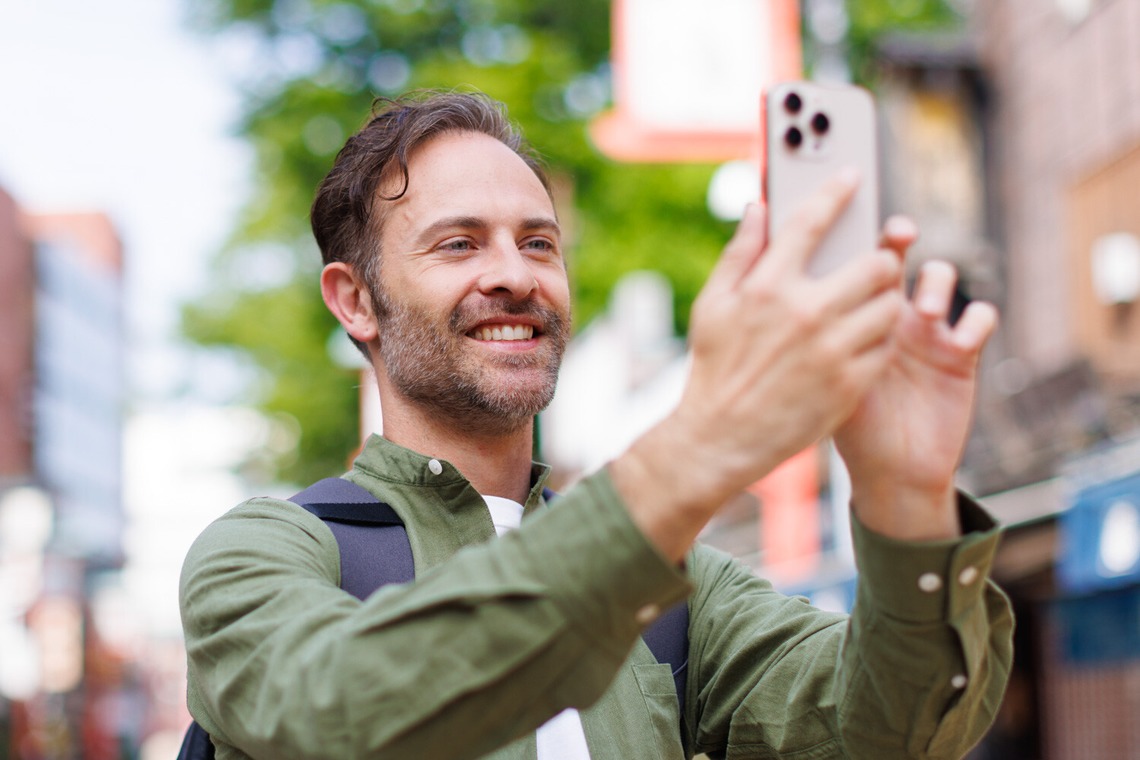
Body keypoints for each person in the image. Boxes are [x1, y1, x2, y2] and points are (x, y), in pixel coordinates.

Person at [179, 90, 1013, 760]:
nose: (513, 275)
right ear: (354, 300)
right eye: (459, 245)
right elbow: (346, 710)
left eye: (538, 244)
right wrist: (702, 444)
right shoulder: (264, 555)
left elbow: (896, 729)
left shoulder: (689, 591)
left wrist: (907, 497)